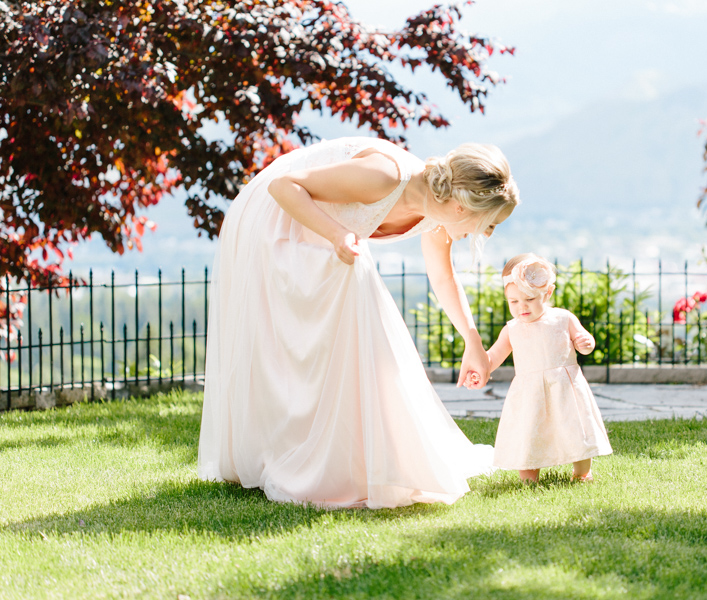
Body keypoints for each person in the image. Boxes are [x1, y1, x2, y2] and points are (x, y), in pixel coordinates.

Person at [198, 136, 519, 509]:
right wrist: (337, 235)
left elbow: (443, 277)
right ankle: (293, 456)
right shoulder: (386, 176)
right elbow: (283, 186)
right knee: (306, 333)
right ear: (463, 208)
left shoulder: (437, 212)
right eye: (490, 224)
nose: (486, 234)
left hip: (323, 230)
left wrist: (473, 341)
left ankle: (344, 457)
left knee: (351, 310)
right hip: (274, 217)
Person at [467, 253, 612, 483]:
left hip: (565, 389)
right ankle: (528, 478)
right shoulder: (511, 329)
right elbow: (494, 356)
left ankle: (582, 472)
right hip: (529, 393)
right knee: (529, 433)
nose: (522, 307)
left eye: (530, 299)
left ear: (548, 293)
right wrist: (479, 370)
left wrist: (586, 343)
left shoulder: (563, 318)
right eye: (514, 302)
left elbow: (582, 338)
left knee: (575, 428)